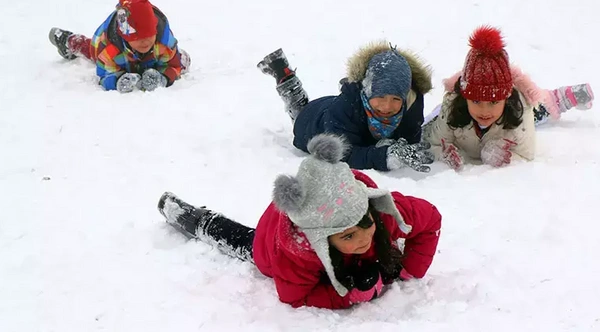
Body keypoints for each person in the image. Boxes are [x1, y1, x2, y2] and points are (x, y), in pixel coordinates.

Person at [157, 134, 442, 309]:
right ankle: (191, 218)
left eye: (364, 225)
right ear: (322, 240)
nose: (363, 238)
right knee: (244, 241)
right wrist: (348, 296)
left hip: (319, 205)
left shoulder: (379, 210)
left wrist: (408, 270)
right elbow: (295, 297)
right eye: (347, 236)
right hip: (272, 241)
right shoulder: (297, 253)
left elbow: (431, 220)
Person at [422, 25, 594, 170]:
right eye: (476, 101)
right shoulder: (452, 108)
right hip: (460, 111)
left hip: (514, 113)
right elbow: (432, 143)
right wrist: (444, 155)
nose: (484, 110)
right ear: (465, 97)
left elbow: (527, 154)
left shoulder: (520, 110)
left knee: (538, 109)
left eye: (494, 102)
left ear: (506, 97)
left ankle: (557, 98)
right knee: (436, 118)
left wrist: (505, 157)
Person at [256, 42, 435, 172]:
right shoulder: (345, 108)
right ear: (367, 91)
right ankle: (285, 78)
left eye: (396, 98)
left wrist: (399, 147)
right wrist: (383, 156)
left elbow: (410, 137)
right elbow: (341, 154)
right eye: (380, 96)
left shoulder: (411, 103)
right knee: (299, 111)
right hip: (313, 122)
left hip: (339, 112)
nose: (387, 106)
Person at [48, 0, 190, 93]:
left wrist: (163, 78)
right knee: (91, 51)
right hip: (113, 53)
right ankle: (69, 42)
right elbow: (103, 75)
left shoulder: (163, 43)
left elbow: (174, 66)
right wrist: (118, 81)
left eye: (149, 35)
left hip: (151, 58)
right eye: (138, 38)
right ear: (125, 36)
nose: (145, 41)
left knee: (182, 60)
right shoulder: (110, 49)